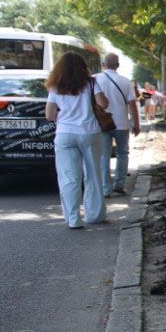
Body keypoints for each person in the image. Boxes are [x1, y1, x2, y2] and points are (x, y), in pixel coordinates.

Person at [45, 52, 109, 229]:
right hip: (90, 133)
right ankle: (95, 215)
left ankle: (73, 219)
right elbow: (103, 104)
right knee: (93, 175)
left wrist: (64, 117)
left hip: (65, 134)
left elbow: (49, 115)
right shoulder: (91, 83)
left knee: (69, 177)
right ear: (83, 67)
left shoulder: (55, 86)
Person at [94, 53, 141, 196]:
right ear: (118, 65)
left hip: (102, 123)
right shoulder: (126, 81)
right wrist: (136, 123)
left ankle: (105, 188)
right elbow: (132, 105)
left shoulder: (94, 79)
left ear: (103, 64)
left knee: (104, 155)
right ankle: (119, 184)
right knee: (122, 153)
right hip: (121, 123)